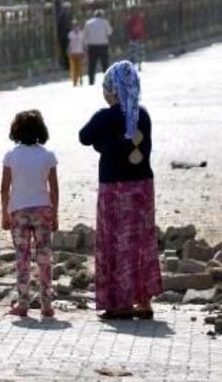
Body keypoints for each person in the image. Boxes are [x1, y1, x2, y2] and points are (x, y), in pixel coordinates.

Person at [79, 61, 161, 320]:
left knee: (116, 243)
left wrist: (102, 145)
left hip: (115, 189)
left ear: (112, 91)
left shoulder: (105, 117)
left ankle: (122, 303)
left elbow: (84, 136)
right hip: (142, 187)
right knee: (141, 241)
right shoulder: (143, 115)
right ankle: (144, 301)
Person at [1, 110, 59, 319]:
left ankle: (23, 303)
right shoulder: (48, 156)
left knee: (22, 259)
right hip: (43, 209)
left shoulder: (11, 156)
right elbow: (53, 188)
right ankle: (46, 304)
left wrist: (4, 214)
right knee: (44, 258)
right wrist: (56, 213)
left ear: (16, 130)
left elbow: (5, 187)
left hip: (19, 211)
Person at [84, 9, 113, 85]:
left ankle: (91, 81)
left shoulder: (88, 23)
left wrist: (85, 46)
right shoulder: (105, 22)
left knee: (91, 65)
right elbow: (110, 32)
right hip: (103, 46)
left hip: (92, 46)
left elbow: (85, 35)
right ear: (102, 15)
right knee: (105, 64)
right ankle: (107, 81)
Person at [67, 20, 85, 87]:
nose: (76, 27)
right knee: (73, 68)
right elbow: (69, 43)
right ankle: (74, 81)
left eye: (77, 25)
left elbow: (83, 43)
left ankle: (80, 79)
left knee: (79, 68)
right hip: (73, 53)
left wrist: (85, 51)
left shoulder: (82, 33)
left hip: (80, 52)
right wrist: (68, 50)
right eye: (74, 26)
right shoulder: (70, 34)